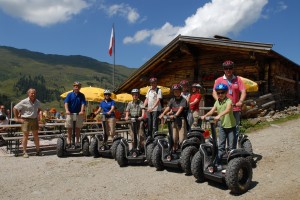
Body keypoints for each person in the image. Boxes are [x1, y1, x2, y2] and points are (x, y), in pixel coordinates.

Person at [202, 83, 236, 168]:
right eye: (218, 93)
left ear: (226, 92)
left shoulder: (229, 101)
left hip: (231, 126)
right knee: (220, 146)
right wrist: (205, 115)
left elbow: (228, 110)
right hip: (222, 127)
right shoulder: (217, 102)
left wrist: (219, 115)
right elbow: (212, 110)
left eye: (222, 92)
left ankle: (232, 165)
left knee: (231, 147)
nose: (220, 94)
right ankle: (217, 163)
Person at [213, 60, 246, 138]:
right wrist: (218, 100)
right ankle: (223, 149)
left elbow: (243, 91)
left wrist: (241, 101)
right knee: (223, 129)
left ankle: (233, 149)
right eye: (226, 68)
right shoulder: (219, 80)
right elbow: (214, 92)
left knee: (235, 129)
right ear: (224, 69)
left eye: (230, 68)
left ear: (233, 69)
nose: (228, 70)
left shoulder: (238, 79)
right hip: (223, 109)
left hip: (235, 109)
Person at [13, 88, 43, 158]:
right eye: (31, 93)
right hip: (26, 120)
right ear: (28, 94)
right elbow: (15, 108)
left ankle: (38, 151)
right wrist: (17, 118)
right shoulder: (24, 101)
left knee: (36, 135)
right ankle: (24, 152)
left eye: (34, 93)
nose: (33, 94)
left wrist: (36, 114)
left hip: (34, 120)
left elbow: (39, 109)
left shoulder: (37, 101)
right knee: (25, 136)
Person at [159, 84, 187, 152]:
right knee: (173, 138)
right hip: (174, 121)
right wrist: (163, 114)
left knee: (181, 139)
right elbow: (168, 107)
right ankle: (174, 150)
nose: (176, 92)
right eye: (175, 91)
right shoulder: (172, 100)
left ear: (180, 91)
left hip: (181, 120)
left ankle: (183, 152)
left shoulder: (183, 100)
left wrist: (175, 115)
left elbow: (180, 109)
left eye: (177, 91)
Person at [64, 81, 86, 147]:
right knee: (69, 127)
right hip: (70, 113)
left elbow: (83, 103)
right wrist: (67, 110)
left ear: (80, 88)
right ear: (73, 87)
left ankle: (77, 141)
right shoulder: (69, 95)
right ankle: (69, 141)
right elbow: (66, 103)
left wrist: (82, 111)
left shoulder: (82, 95)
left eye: (78, 87)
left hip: (78, 114)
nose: (76, 88)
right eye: (75, 86)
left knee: (77, 128)